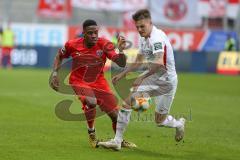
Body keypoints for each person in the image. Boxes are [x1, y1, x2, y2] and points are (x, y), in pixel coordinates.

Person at [98, 9, 185, 150]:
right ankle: (117, 141)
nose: (139, 29)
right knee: (127, 103)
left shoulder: (157, 38)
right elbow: (138, 62)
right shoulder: (144, 38)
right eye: (137, 27)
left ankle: (179, 124)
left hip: (167, 81)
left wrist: (142, 77)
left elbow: (159, 63)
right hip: (153, 78)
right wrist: (122, 74)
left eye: (142, 26)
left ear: (150, 23)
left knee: (160, 121)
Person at [50, 19, 136, 148]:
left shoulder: (105, 44)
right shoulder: (72, 44)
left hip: (99, 82)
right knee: (91, 101)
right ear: (83, 33)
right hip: (78, 81)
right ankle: (92, 132)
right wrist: (55, 74)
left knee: (116, 117)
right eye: (90, 33)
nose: (94, 35)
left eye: (96, 32)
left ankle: (118, 140)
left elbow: (121, 63)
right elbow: (59, 56)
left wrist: (121, 50)